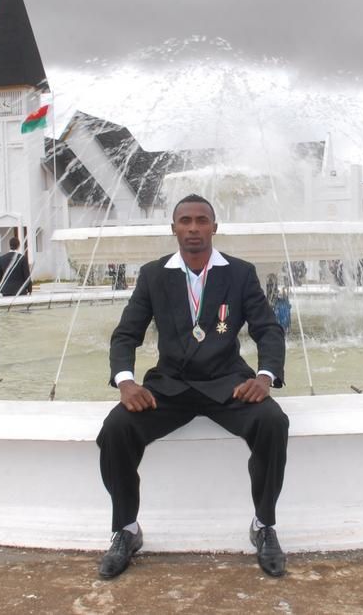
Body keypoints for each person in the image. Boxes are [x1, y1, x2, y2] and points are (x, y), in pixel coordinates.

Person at [98, 194, 289, 579]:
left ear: (214, 228)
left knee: (272, 422)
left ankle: (264, 525)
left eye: (202, 220)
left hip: (228, 384)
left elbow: (268, 329)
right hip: (170, 386)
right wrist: (126, 382)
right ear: (174, 229)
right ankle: (126, 529)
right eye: (185, 221)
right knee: (116, 429)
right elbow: (125, 335)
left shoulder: (239, 273)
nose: (194, 228)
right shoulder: (153, 275)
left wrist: (265, 377)